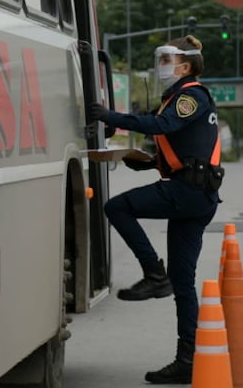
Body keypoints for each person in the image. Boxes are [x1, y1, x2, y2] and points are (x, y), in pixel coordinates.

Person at [88, 35, 223, 384]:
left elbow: (163, 126)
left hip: (189, 193)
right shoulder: (175, 98)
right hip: (195, 193)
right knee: (184, 283)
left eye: (167, 61)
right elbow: (187, 146)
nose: (161, 67)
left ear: (186, 66)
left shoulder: (191, 95)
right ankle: (188, 359)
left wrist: (110, 116)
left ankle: (153, 273)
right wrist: (148, 164)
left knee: (116, 207)